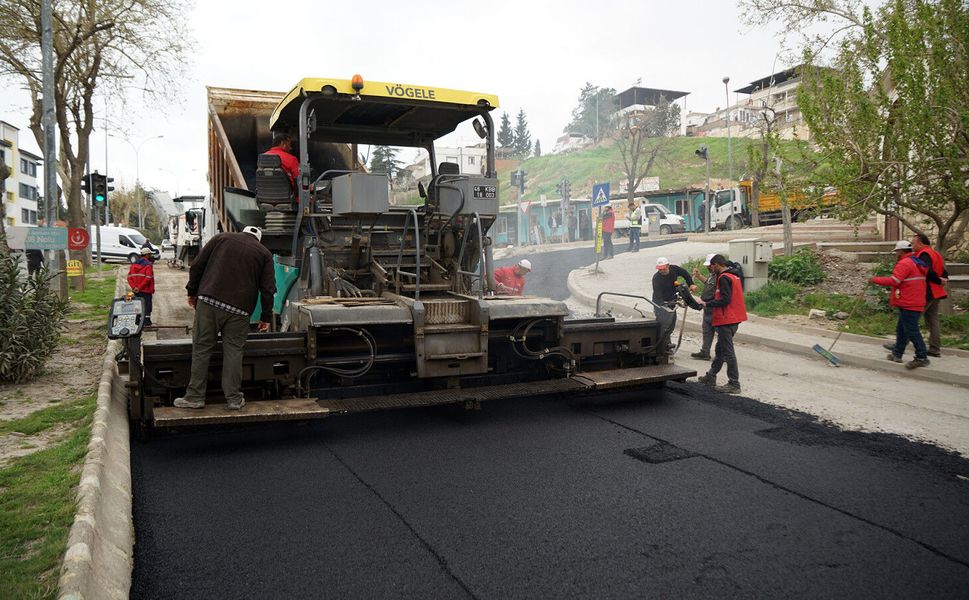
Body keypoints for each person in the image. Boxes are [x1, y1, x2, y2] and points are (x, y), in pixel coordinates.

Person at [174, 226, 276, 410]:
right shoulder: (264, 253)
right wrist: (265, 317)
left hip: (209, 302)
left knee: (202, 349)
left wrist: (192, 291)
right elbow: (268, 289)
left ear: (242, 232)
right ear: (258, 240)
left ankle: (195, 397)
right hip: (240, 311)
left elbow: (197, 265)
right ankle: (234, 399)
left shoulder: (221, 238)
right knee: (234, 352)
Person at [870, 240, 930, 369]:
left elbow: (894, 281)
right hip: (914, 300)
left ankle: (922, 357)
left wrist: (874, 279)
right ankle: (897, 354)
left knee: (912, 331)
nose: (896, 254)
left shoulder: (904, 263)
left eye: (897, 251)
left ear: (901, 251)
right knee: (902, 329)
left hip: (909, 302)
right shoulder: (916, 262)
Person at [696, 254, 748, 394]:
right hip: (735, 318)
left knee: (728, 352)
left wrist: (706, 303)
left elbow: (725, 299)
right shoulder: (734, 275)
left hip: (726, 319)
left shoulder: (724, 278)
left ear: (717, 264)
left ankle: (734, 383)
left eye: (712, 266)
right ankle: (711, 376)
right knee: (720, 350)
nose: (711, 269)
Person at [910, 233, 948, 357]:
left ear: (920, 243)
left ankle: (899, 345)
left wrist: (937, 280)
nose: (912, 246)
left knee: (911, 319)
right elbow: (944, 271)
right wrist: (943, 280)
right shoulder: (935, 253)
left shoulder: (924, 254)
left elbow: (928, 271)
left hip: (928, 291)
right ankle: (935, 349)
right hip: (937, 292)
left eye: (913, 243)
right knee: (933, 321)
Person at [690, 254, 718, 360]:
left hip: (715, 307)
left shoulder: (720, 276)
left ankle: (722, 354)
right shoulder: (712, 274)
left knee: (721, 332)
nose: (708, 267)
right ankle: (705, 352)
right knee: (707, 330)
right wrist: (698, 276)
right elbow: (708, 283)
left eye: (709, 266)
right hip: (707, 306)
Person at [127, 246, 156, 327]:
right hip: (146, 291)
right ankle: (146, 322)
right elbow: (148, 278)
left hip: (136, 291)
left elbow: (129, 277)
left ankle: (137, 321)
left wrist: (134, 288)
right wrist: (139, 288)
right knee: (147, 306)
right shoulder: (148, 265)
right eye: (150, 254)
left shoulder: (133, 265)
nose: (151, 256)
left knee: (137, 305)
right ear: (147, 255)